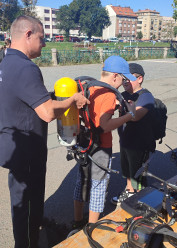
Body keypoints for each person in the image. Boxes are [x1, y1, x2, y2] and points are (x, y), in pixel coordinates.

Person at [0, 15, 89, 248]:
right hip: (26, 151)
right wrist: (71, 100)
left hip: (16, 146)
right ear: (27, 34)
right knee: (25, 204)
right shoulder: (26, 67)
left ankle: (35, 228)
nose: (45, 43)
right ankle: (27, 242)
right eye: (41, 37)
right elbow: (47, 113)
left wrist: (49, 96)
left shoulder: (8, 61)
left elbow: (26, 97)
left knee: (29, 201)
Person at [72, 55, 137, 230]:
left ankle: (77, 221)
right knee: (99, 187)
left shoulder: (89, 87)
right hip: (101, 146)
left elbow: (93, 114)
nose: (122, 83)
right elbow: (105, 125)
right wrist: (128, 116)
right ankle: (92, 227)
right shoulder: (108, 93)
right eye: (122, 78)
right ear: (115, 76)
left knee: (82, 180)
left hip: (84, 142)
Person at [111, 63, 155, 205]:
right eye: (123, 79)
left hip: (140, 144)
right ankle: (130, 191)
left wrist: (123, 104)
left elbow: (135, 116)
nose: (125, 82)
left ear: (140, 78)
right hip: (125, 141)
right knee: (127, 170)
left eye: (128, 79)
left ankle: (138, 199)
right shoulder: (123, 94)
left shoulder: (146, 96)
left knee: (137, 175)